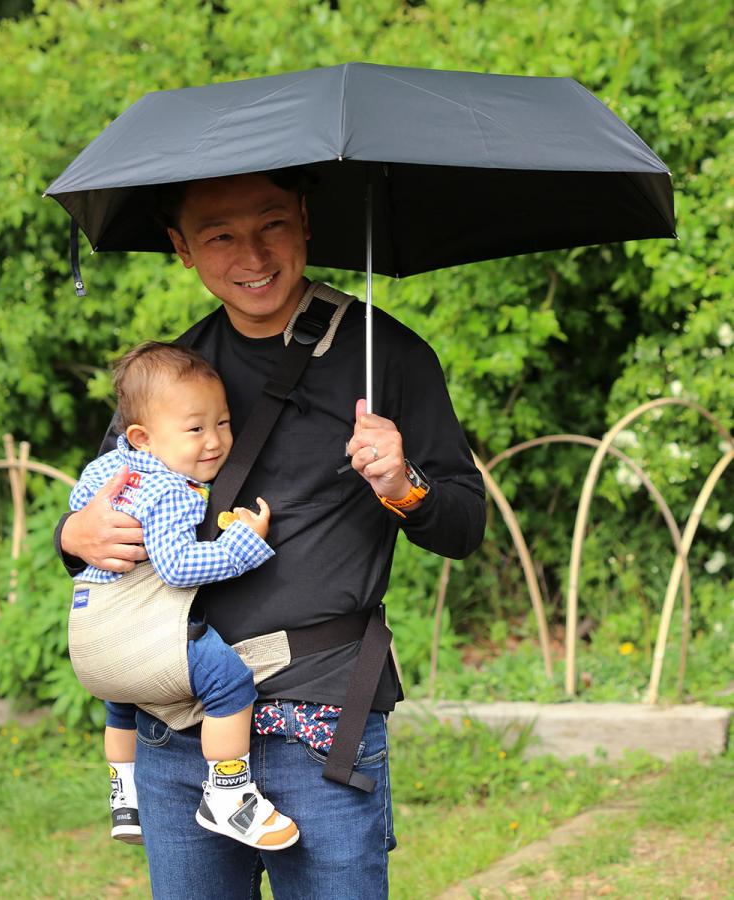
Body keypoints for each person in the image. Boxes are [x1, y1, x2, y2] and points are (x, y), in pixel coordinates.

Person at [55, 170, 486, 899]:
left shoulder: (389, 357)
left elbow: (464, 525)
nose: (252, 255)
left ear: (306, 219)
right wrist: (74, 534)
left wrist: (402, 484)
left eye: (272, 224)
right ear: (182, 247)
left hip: (319, 716)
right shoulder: (173, 377)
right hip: (178, 717)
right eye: (220, 235)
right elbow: (99, 522)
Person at [68, 341, 299, 851]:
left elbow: (83, 519)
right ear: (142, 437)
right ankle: (228, 793)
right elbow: (177, 568)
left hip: (93, 635)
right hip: (149, 631)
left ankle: (124, 794)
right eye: (195, 429)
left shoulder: (105, 471)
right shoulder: (171, 490)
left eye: (223, 423)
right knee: (228, 682)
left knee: (126, 700)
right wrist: (242, 544)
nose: (215, 440)